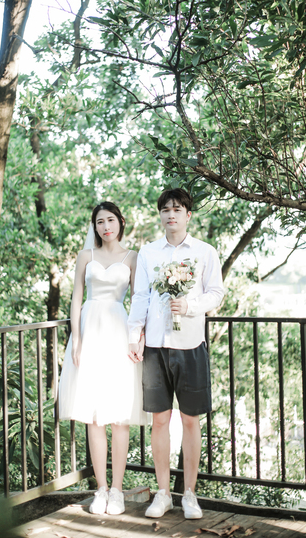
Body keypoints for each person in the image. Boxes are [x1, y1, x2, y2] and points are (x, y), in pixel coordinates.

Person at [128, 188, 224, 520]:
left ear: (188, 215)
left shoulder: (205, 252)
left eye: (177, 209)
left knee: (190, 420)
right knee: (159, 420)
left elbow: (216, 292)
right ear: (161, 215)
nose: (171, 214)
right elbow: (140, 296)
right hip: (155, 346)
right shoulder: (148, 252)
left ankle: (191, 494)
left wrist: (190, 305)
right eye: (166, 210)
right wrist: (134, 334)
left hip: (191, 345)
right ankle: (163, 493)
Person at [58, 201, 148, 516]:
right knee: (95, 417)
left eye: (110, 220)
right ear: (94, 226)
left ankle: (118, 491)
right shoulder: (86, 256)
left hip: (119, 334)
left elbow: (139, 300)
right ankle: (101, 489)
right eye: (99, 222)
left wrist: (139, 337)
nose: (105, 226)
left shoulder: (132, 257)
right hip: (90, 332)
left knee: (120, 417)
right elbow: (76, 299)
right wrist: (77, 340)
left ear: (120, 222)